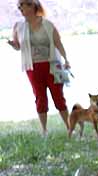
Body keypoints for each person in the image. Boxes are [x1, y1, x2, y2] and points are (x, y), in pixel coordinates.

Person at [8, 0, 70, 134]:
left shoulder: (48, 24)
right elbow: (18, 46)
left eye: (23, 5)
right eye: (20, 6)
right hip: (32, 67)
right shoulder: (18, 26)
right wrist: (14, 45)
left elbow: (58, 43)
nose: (21, 8)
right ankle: (44, 130)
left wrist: (66, 59)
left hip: (53, 65)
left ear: (32, 6)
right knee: (40, 98)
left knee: (58, 96)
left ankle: (69, 128)